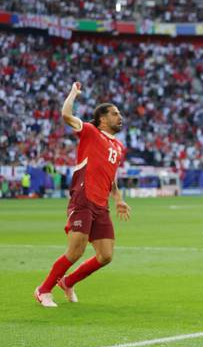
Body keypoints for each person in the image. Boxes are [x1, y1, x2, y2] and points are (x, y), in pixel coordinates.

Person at [34, 82, 131, 307]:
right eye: (115, 113)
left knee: (106, 255)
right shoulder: (89, 130)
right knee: (76, 249)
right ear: (103, 118)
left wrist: (118, 199)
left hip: (101, 204)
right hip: (83, 197)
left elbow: (111, 177)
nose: (120, 117)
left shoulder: (118, 146)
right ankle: (43, 289)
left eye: (120, 114)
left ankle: (67, 282)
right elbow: (66, 114)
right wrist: (73, 93)